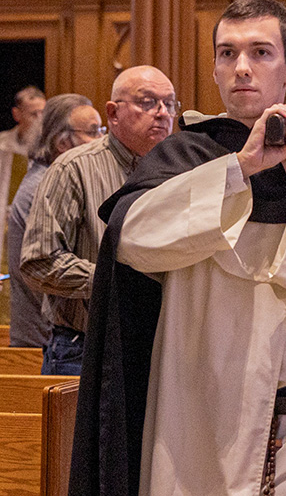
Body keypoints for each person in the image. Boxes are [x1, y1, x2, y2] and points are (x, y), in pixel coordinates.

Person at [69, 0, 286, 496]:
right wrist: (241, 169)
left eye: (260, 53)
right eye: (227, 54)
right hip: (194, 427)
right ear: (212, 68)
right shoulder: (183, 156)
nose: (242, 68)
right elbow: (133, 242)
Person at [20, 66, 175, 375]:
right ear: (113, 112)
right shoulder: (73, 168)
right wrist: (113, 279)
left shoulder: (176, 172)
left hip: (155, 348)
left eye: (170, 103)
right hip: (83, 350)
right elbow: (38, 261)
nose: (162, 113)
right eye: (148, 102)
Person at [7, 94, 101, 348]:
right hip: (42, 344)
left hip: (53, 339)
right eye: (93, 132)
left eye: (101, 130)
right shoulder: (43, 185)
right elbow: (44, 267)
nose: (101, 141)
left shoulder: (55, 178)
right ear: (61, 142)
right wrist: (109, 276)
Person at [0, 85, 45, 277]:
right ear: (17, 115)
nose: (40, 120)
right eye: (34, 114)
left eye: (44, 113)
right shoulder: (3, 145)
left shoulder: (48, 149)